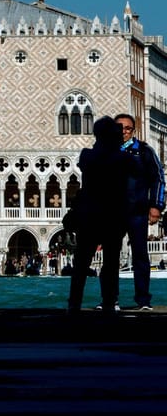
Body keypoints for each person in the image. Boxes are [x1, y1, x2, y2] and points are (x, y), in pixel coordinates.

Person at [68, 117, 138, 314]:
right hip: (112, 215)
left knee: (81, 263)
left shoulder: (87, 156)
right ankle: (109, 302)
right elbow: (136, 169)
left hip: (88, 214)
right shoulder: (123, 159)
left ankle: (74, 304)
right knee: (110, 263)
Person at [116, 114, 164, 309]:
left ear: (133, 131)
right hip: (113, 213)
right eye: (120, 128)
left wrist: (156, 206)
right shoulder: (107, 152)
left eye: (127, 128)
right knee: (111, 257)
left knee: (140, 256)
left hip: (137, 211)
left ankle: (143, 300)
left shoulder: (144, 151)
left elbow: (158, 179)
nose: (124, 132)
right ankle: (110, 299)